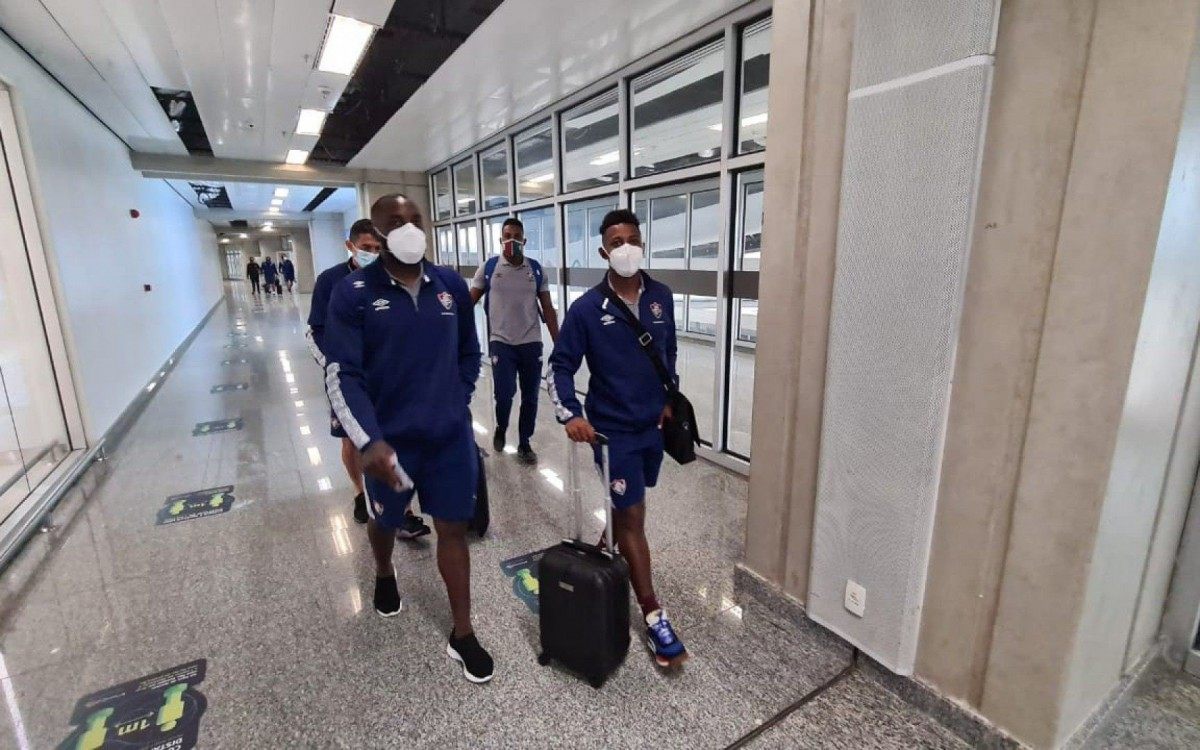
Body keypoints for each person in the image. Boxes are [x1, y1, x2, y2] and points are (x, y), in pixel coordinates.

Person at [324, 193, 493, 683]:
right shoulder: (354, 292)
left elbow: (468, 353)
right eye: (395, 222)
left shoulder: (450, 287)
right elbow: (343, 373)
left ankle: (462, 633)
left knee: (453, 529)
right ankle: (382, 570)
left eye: (415, 220)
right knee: (385, 522)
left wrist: (455, 401)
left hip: (447, 439)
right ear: (375, 235)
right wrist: (368, 441)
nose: (408, 229)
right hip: (389, 445)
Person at [548, 208, 688, 669]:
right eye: (616, 239)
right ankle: (652, 614)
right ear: (604, 250)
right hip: (612, 434)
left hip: (654, 429)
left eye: (632, 237)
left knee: (630, 503)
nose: (625, 246)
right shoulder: (587, 309)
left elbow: (667, 352)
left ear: (641, 243)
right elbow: (562, 365)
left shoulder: (661, 297)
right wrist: (571, 413)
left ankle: (608, 549)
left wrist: (670, 397)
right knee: (633, 520)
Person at [306, 219, 432, 538]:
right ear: (350, 246)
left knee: (391, 438)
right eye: (367, 248)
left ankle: (402, 510)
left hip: (387, 378)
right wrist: (336, 368)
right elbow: (315, 332)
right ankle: (360, 493)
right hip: (347, 380)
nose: (373, 254)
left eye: (378, 249)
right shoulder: (330, 281)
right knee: (353, 439)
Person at [469, 218, 559, 464]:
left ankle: (524, 442)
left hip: (531, 342)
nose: (512, 240)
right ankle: (501, 426)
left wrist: (559, 343)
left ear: (524, 241)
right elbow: (469, 303)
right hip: (501, 342)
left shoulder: (536, 269)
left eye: (516, 236)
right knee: (505, 394)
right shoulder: (489, 268)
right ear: (500, 240)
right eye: (507, 235)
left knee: (530, 396)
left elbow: (548, 308)